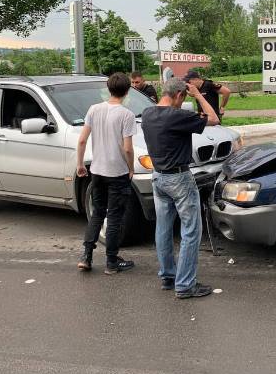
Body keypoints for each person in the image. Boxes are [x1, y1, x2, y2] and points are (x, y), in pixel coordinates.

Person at [141, 78, 220, 298]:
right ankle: (185, 285)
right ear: (179, 95)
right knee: (191, 231)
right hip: (179, 178)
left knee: (163, 229)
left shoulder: (147, 113)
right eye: (183, 97)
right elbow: (214, 118)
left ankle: (168, 276)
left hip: (158, 177)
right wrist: (198, 94)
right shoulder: (178, 116)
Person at [76, 72, 137, 275]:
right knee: (114, 217)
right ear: (127, 91)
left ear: (108, 89)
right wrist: (130, 168)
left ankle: (86, 255)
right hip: (117, 172)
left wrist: (80, 164)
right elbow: (127, 148)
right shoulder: (126, 115)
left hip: (97, 171)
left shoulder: (94, 109)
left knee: (97, 214)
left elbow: (82, 140)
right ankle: (111, 262)